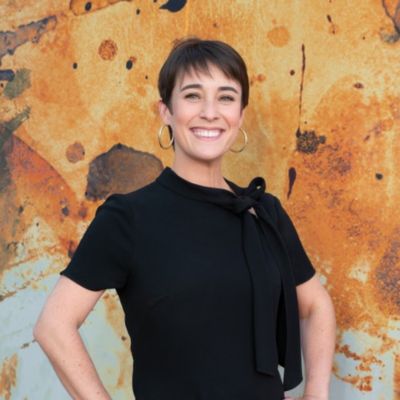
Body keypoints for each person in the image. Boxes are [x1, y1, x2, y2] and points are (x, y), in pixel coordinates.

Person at [34, 38, 336, 400]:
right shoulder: (127, 219)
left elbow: (315, 306)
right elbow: (53, 326)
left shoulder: (264, 212)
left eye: (226, 97)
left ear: (240, 114)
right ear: (166, 110)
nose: (210, 112)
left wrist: (316, 392)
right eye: (193, 95)